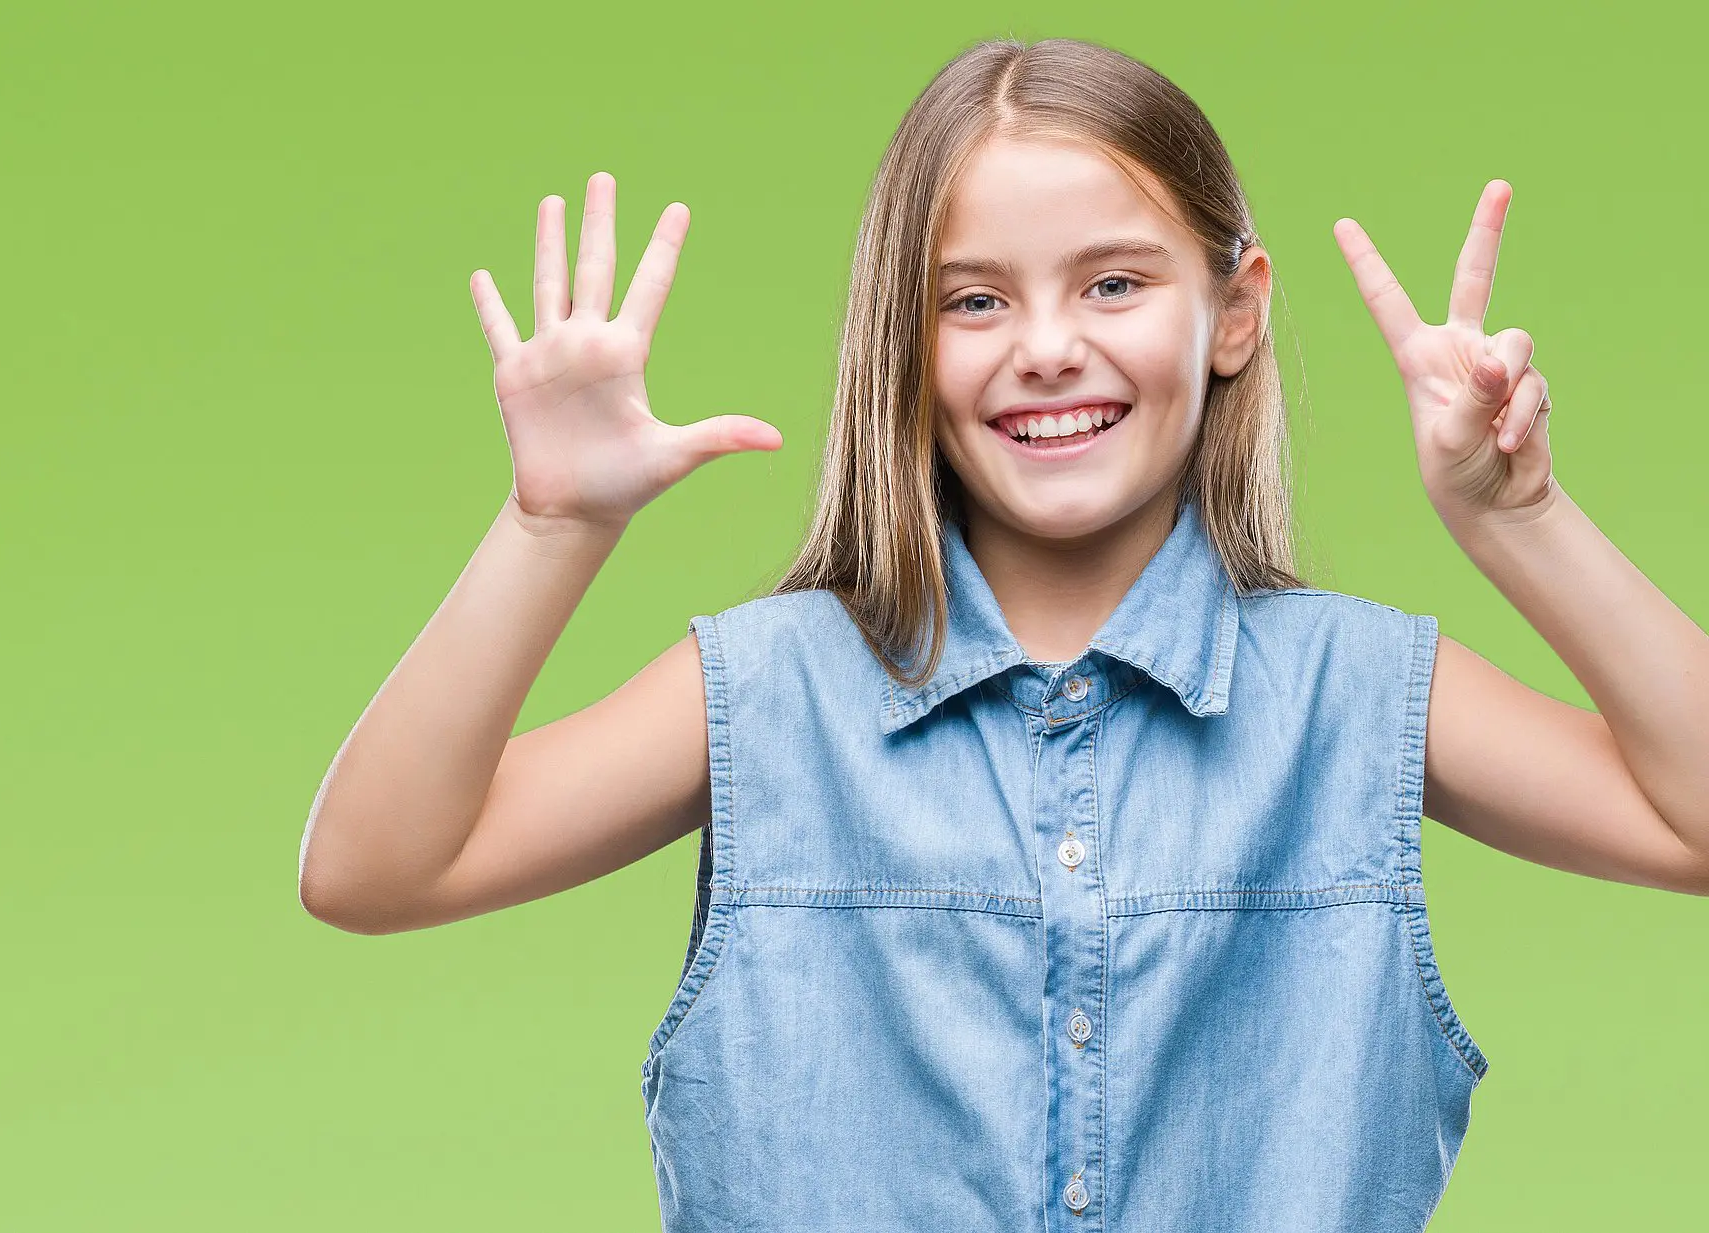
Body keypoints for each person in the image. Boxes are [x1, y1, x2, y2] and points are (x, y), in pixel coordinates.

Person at [296, 35, 1709, 1232]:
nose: (1045, 345)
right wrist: (553, 527)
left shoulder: (1356, 691)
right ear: (903, 347)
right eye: (975, 299)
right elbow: (373, 868)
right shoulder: (771, 691)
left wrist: (1513, 520)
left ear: (1234, 312)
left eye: (1113, 283)